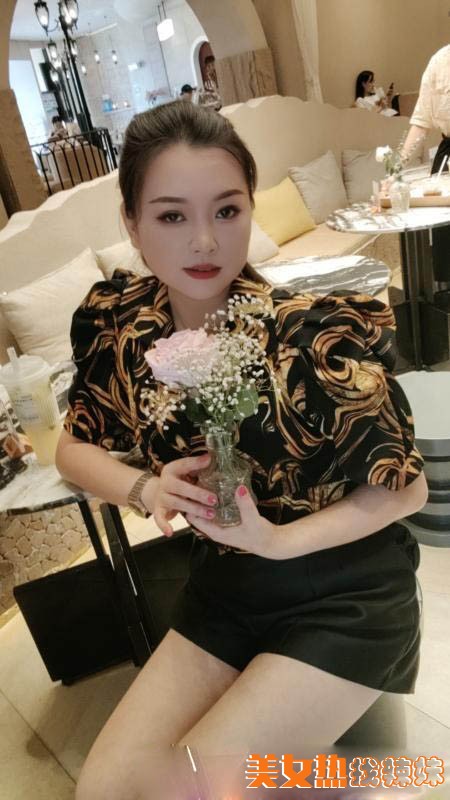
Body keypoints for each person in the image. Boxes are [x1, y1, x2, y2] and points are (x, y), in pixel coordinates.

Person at [56, 100, 427, 799]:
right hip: (226, 591)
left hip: (344, 591)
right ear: (131, 223)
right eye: (172, 216)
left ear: (250, 208)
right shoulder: (125, 327)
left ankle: (366, 775)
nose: (205, 241)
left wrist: (277, 542)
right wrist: (145, 488)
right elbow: (72, 449)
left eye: (227, 211)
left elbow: (408, 490)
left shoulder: (306, 337)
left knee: (186, 788)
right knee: (102, 789)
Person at [402, 44, 450, 289]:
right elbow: (421, 121)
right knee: (446, 239)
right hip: (448, 154)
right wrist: (397, 165)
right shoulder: (439, 61)